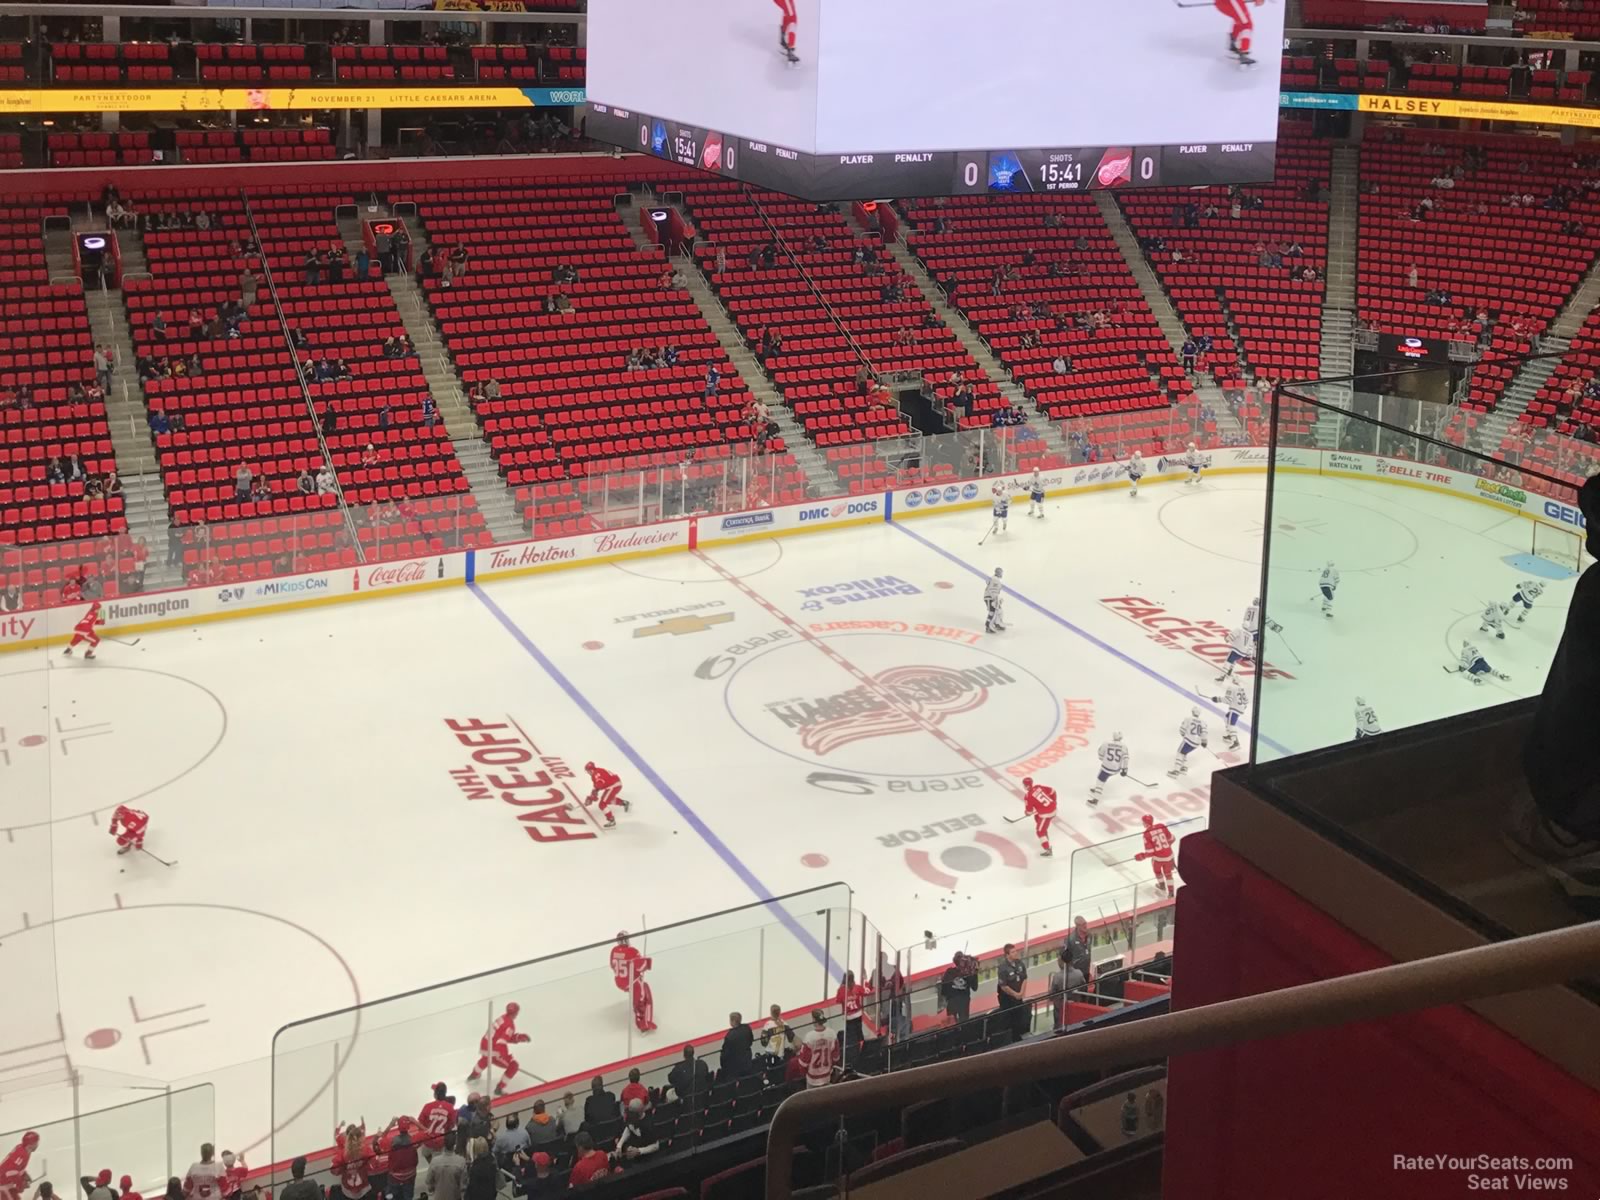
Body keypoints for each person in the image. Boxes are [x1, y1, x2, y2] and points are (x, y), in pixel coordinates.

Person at [1511, 477, 1600, 906]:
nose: (1586, 535)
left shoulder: (1597, 592)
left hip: (1577, 795)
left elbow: (1578, 708)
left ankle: (1571, 832)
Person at [467, 1002, 528, 1095]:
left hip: (485, 1043)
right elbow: (502, 1041)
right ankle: (499, 1089)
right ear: (516, 1013)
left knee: (486, 1059)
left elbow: (502, 1035)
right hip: (495, 1049)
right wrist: (504, 1056)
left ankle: (473, 1076)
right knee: (513, 1066)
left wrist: (518, 1037)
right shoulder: (510, 1025)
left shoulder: (502, 1018)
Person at [1134, 814, 1178, 896]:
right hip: (1169, 856)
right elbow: (1172, 839)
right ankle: (1171, 892)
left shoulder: (1146, 834)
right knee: (1168, 874)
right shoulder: (1161, 826)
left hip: (1158, 859)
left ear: (1145, 823)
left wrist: (1142, 856)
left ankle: (1162, 885)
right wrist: (1165, 847)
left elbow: (1150, 852)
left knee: (1157, 871)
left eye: (1143, 822)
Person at [996, 943, 1029, 1041]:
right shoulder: (1002, 968)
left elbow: (1024, 978)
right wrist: (1015, 994)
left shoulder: (1020, 963)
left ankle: (1018, 1037)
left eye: (1016, 951)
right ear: (1007, 955)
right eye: (1013, 952)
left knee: (1020, 1018)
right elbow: (1003, 986)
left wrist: (1021, 993)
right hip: (1008, 1000)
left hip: (1018, 998)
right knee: (1009, 1020)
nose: (1016, 953)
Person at [796, 1010, 836, 1087]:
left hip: (813, 1078)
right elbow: (835, 1056)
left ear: (814, 1020)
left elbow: (803, 1061)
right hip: (827, 1076)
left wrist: (803, 1073)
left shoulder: (809, 1037)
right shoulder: (831, 1033)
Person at [584, 762, 631, 827]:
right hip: (614, 784)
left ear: (591, 770)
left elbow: (599, 783)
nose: (588, 773)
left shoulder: (596, 774)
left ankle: (611, 821)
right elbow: (596, 786)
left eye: (588, 771)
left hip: (613, 785)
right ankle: (624, 803)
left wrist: (593, 796)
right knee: (608, 800)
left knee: (602, 804)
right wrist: (592, 795)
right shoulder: (597, 772)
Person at [1168, 707, 1209, 779]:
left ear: (1192, 712)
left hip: (1188, 740)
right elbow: (1204, 732)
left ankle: (1176, 771)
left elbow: (1182, 730)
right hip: (1197, 743)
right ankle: (1183, 768)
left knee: (1180, 753)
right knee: (1185, 752)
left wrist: (1184, 735)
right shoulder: (1203, 722)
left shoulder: (1188, 719)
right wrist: (1204, 742)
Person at [835, 972, 871, 1053]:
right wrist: (865, 979)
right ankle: (862, 1050)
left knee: (850, 1036)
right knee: (859, 1033)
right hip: (858, 1015)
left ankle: (853, 1051)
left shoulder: (841, 990)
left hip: (849, 1017)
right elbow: (867, 991)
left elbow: (838, 1001)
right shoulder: (857, 987)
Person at [1022, 776, 1058, 857]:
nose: (1023, 786)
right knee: (1036, 817)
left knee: (1039, 831)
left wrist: (1027, 813)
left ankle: (1048, 850)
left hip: (1046, 814)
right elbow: (1053, 791)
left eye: (1024, 785)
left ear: (1027, 786)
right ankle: (1045, 837)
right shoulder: (1038, 787)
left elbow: (1029, 811)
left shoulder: (1028, 796)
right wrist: (1054, 801)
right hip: (1054, 808)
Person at [422, 1134, 466, 1200]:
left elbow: (429, 1183)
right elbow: (463, 1185)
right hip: (455, 1196)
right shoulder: (461, 1161)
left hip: (439, 1196)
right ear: (455, 1145)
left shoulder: (434, 1161)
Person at [940, 952, 977, 1023]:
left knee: (958, 1024)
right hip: (956, 1001)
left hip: (958, 1001)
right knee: (959, 1024)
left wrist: (974, 973)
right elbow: (944, 989)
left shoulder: (967, 973)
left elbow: (975, 987)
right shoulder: (950, 972)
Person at [720, 1012, 753, 1078]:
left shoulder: (730, 1036)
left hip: (735, 1067)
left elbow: (725, 1054)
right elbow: (750, 1041)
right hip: (747, 1062)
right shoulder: (746, 1028)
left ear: (732, 1021)